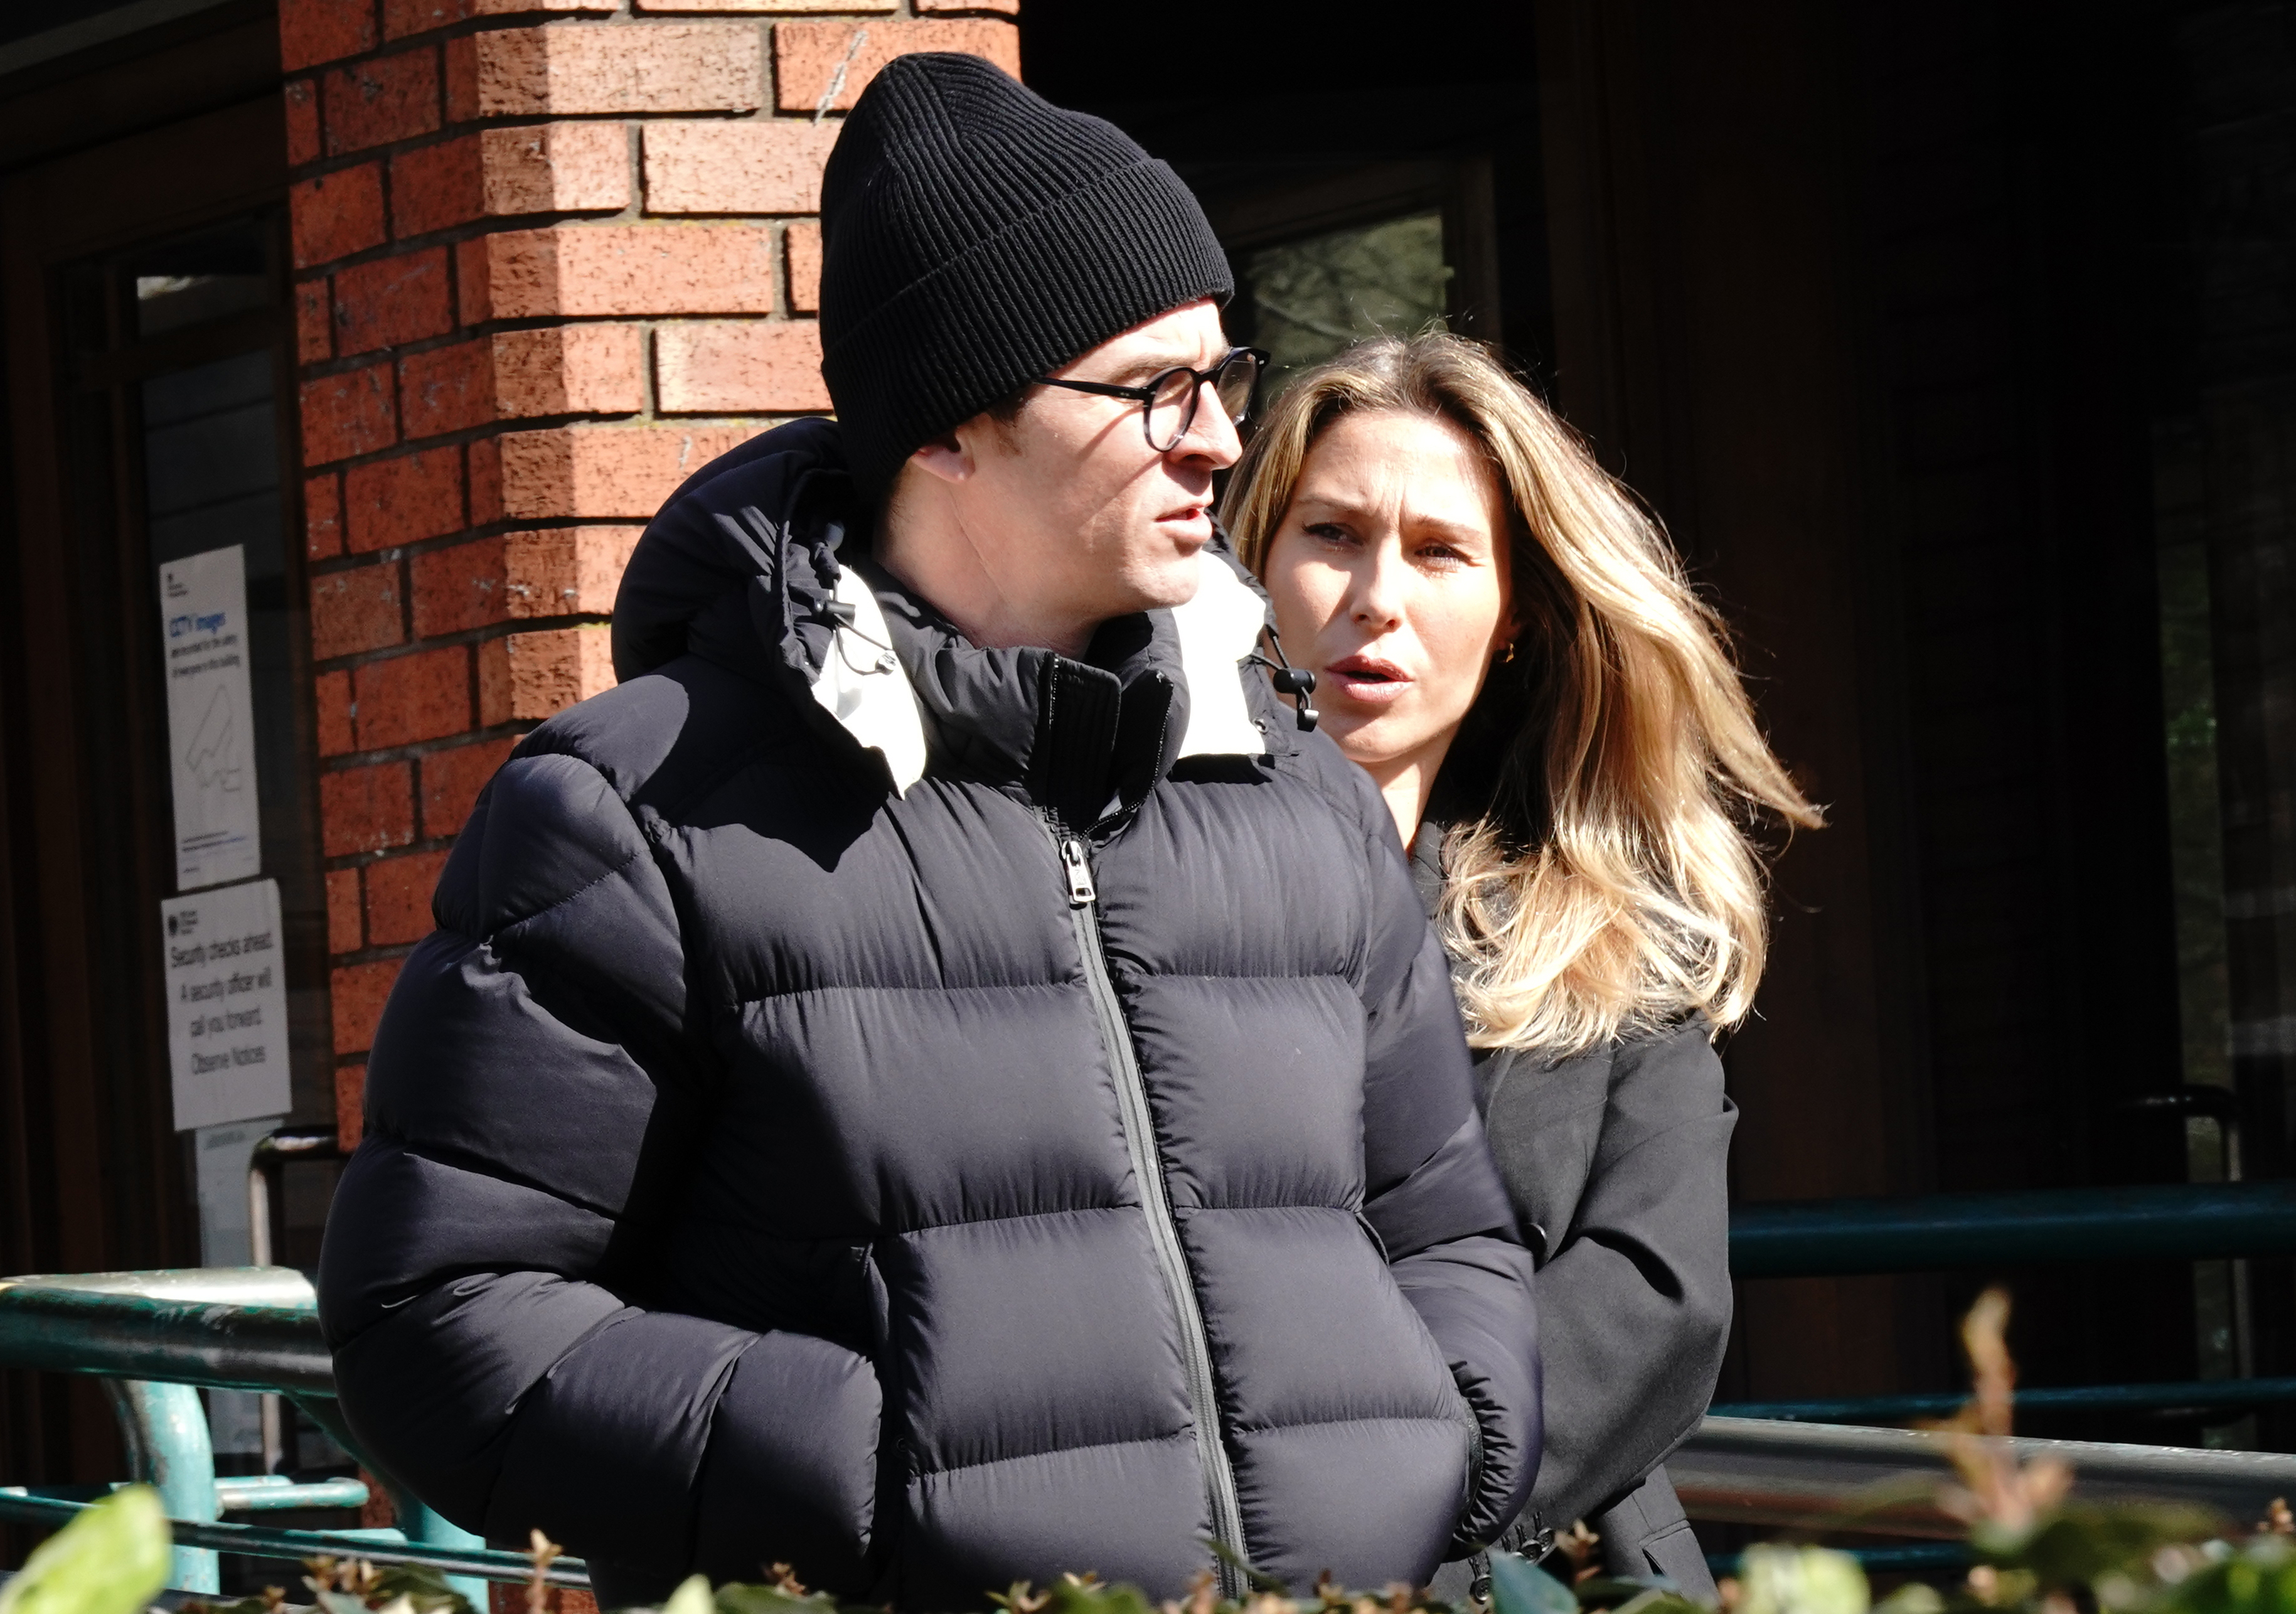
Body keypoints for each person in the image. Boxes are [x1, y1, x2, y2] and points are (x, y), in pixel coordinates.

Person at [315, 59, 1539, 1608]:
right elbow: (440, 1312)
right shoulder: (635, 812)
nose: (1220, 441)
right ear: (957, 424)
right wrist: (878, 1466)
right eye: (1150, 390)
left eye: (1223, 375)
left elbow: (1449, 1231)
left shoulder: (1292, 794)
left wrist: (1447, 1438)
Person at [1226, 333, 1821, 1596]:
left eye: (1441, 552)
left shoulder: (1608, 931)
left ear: (1513, 622)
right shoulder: (1141, 882)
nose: (1376, 596)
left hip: (1545, 1562)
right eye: (1332, 534)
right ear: (1255, 566)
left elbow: (1657, 1297)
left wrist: (1395, 1494)